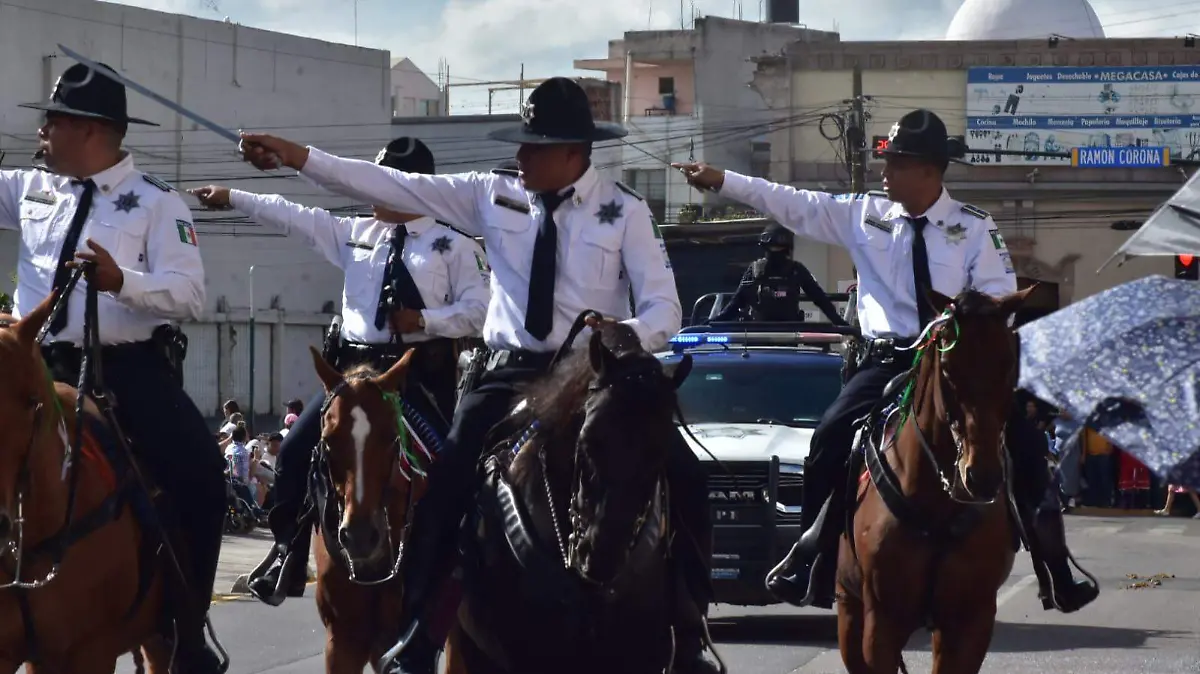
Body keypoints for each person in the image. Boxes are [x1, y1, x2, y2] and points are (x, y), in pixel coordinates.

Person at [238, 76, 719, 674]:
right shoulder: (492, 195)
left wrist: (617, 339)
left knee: (685, 474)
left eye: (533, 146)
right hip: (509, 375)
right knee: (445, 491)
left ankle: (691, 631)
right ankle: (417, 635)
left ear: (574, 151)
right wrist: (296, 157)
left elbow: (664, 311)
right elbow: (391, 184)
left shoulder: (626, 210)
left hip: (593, 377)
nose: (519, 156)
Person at [674, 108, 1098, 615]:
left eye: (895, 162)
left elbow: (999, 300)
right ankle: (814, 558)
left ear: (928, 170)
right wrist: (723, 180)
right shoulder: (865, 214)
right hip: (887, 362)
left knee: (1026, 446)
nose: (884, 171)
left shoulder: (975, 228)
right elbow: (793, 203)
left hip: (952, 364)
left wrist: (960, 320)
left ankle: (1056, 564)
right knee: (830, 436)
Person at [191, 136, 491, 606]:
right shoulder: (353, 233)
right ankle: (287, 550)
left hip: (415, 379)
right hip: (351, 378)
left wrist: (425, 321)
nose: (371, 193)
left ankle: (463, 561)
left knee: (454, 468)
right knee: (292, 454)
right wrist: (234, 196)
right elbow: (289, 214)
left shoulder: (453, 245)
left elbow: (480, 311)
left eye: (384, 183)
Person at [0, 62, 227, 672]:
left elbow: (189, 295)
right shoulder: (28, 189)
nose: (42, 135)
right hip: (33, 367)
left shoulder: (156, 203)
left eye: (52, 124)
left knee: (204, 475)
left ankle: (185, 629)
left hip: (123, 369)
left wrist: (121, 281)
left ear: (92, 130)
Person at [711, 222, 846, 324]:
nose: (776, 252)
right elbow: (737, 302)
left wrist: (839, 323)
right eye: (773, 247)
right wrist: (714, 322)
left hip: (788, 336)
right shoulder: (755, 269)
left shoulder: (796, 270)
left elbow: (820, 298)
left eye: (779, 248)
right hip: (757, 337)